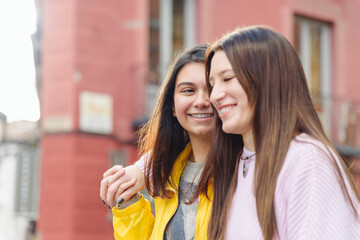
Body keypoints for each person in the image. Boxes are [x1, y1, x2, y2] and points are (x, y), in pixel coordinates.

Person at [199, 25, 360, 240]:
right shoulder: (236, 161)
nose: (214, 96)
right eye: (212, 84)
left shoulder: (306, 160)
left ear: (267, 80)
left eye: (228, 79)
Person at [100, 44, 214, 240]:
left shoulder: (247, 168)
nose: (201, 100)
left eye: (211, 89)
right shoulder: (168, 174)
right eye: (188, 90)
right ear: (172, 106)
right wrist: (128, 204)